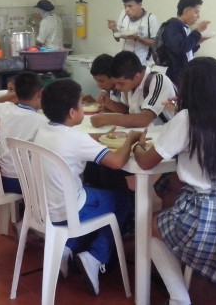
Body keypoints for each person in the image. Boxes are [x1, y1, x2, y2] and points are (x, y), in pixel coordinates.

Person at [128, 57, 216, 305]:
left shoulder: (188, 118)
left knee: (151, 224)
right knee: (173, 199)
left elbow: (146, 162)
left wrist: (137, 146)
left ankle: (179, 296)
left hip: (208, 219)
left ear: (187, 86)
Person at [33, 79, 140, 296]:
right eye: (81, 105)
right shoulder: (75, 139)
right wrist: (130, 139)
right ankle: (96, 257)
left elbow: (77, 143)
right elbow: (118, 162)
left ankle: (68, 247)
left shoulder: (43, 130)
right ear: (73, 113)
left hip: (45, 208)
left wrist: (94, 140)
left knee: (100, 198)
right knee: (123, 200)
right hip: (69, 210)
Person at [0, 71, 47, 194]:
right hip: (27, 183)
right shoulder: (42, 121)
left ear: (16, 93)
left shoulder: (5, 109)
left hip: (1, 178)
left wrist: (11, 96)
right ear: (40, 93)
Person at [90, 51, 176, 128]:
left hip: (161, 135)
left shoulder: (158, 80)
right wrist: (108, 103)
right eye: (115, 83)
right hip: (140, 132)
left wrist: (105, 118)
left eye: (120, 83)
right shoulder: (128, 84)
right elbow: (126, 110)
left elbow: (144, 119)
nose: (117, 87)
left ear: (136, 77)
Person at [161, 0, 211, 84]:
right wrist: (197, 31)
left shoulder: (184, 27)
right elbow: (180, 48)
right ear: (186, 11)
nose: (198, 16)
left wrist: (198, 41)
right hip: (176, 75)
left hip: (185, 73)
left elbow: (187, 49)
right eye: (196, 12)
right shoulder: (172, 26)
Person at [107, 0, 160, 65]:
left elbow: (156, 43)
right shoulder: (123, 14)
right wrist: (114, 29)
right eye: (125, 6)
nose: (127, 10)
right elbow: (117, 38)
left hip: (142, 63)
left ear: (140, 5)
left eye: (130, 6)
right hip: (124, 62)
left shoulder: (151, 18)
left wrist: (138, 38)